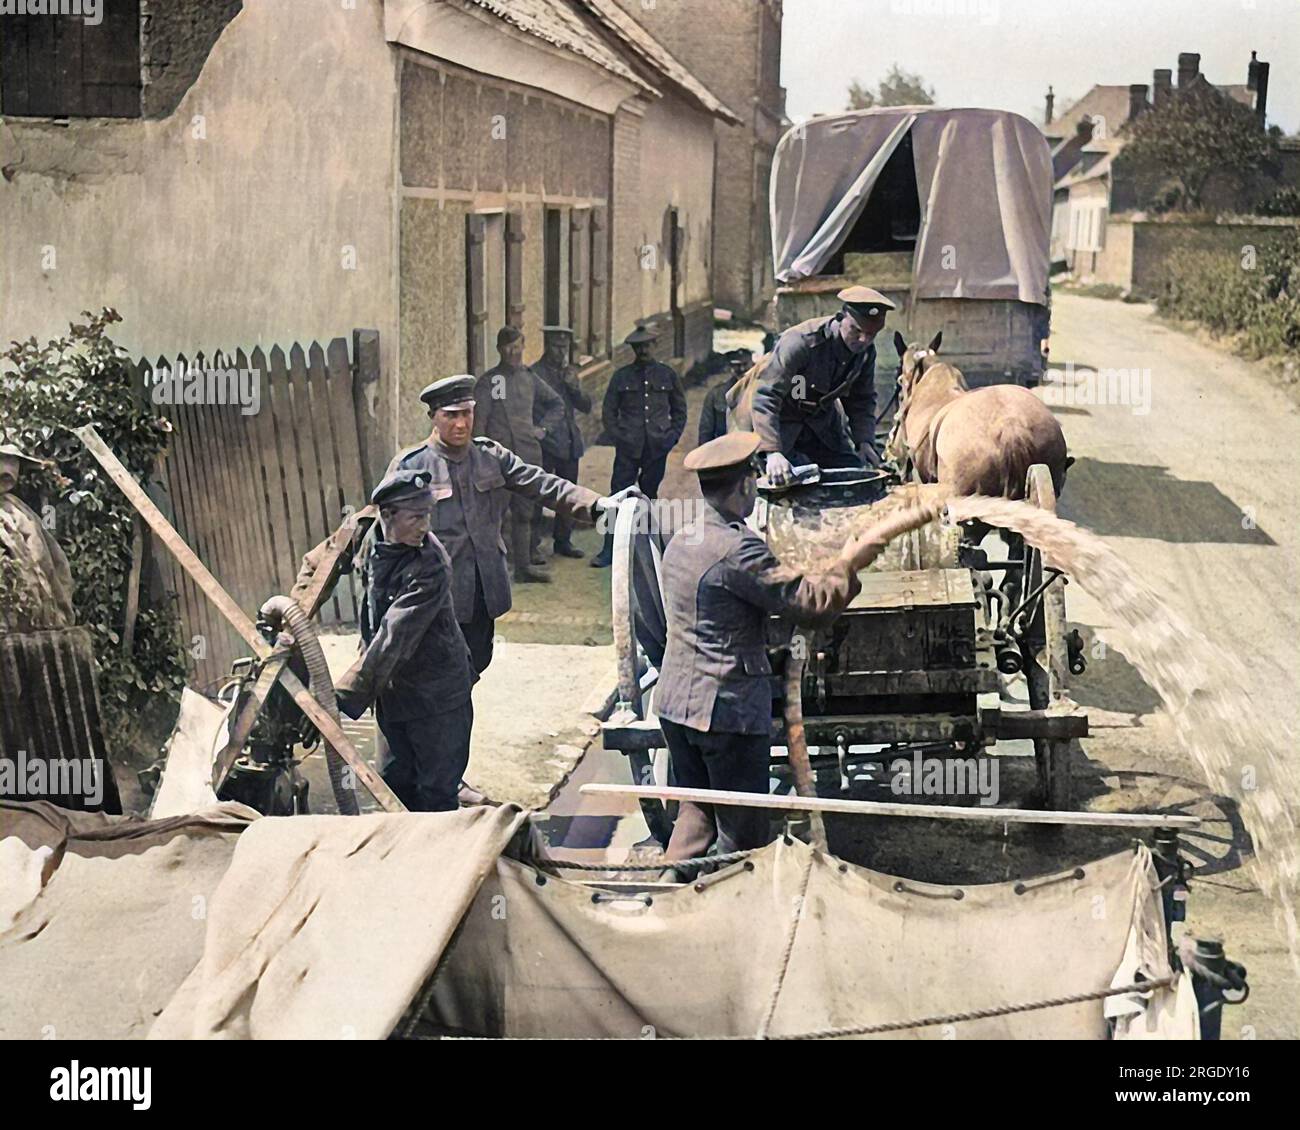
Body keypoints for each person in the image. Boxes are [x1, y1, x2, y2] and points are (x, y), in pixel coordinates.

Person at [655, 431, 861, 861]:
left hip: (676, 705)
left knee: (696, 814)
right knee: (743, 834)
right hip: (725, 712)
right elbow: (809, 605)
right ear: (746, 485)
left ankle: (669, 894)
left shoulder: (682, 539)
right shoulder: (739, 548)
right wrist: (849, 567)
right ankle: (729, 917)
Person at [388, 375, 636, 676]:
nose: (461, 424)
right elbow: (386, 538)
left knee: (474, 667)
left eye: (466, 413)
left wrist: (598, 506)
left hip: (483, 593)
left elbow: (544, 485)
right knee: (441, 680)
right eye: (450, 416)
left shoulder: (490, 456)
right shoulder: (411, 467)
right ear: (433, 417)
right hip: (437, 597)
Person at [297, 469, 476, 813]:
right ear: (387, 514)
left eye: (427, 515)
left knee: (436, 794)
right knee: (394, 785)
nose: (425, 526)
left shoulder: (431, 564)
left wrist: (335, 700)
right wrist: (294, 616)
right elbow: (317, 565)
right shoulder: (362, 528)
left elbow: (393, 639)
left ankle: (438, 864)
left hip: (438, 696)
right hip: (392, 689)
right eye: (415, 517)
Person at [751, 285, 896, 488]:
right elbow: (766, 396)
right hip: (780, 426)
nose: (863, 340)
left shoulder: (864, 353)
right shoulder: (801, 342)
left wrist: (864, 442)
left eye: (871, 335)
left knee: (854, 474)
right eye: (856, 330)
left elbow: (861, 399)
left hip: (822, 427)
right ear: (840, 318)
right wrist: (772, 451)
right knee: (786, 483)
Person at [591, 325, 687, 568]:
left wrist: (671, 437)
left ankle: (648, 549)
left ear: (654, 346)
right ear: (634, 349)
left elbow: (679, 410)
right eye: (639, 346)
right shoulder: (622, 376)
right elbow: (608, 412)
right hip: (628, 448)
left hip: (656, 447)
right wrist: (619, 437)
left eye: (647, 345)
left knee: (649, 497)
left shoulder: (667, 375)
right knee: (616, 497)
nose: (643, 350)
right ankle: (609, 550)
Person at [474, 325, 565, 580]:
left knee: (525, 513)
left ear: (524, 346)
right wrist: (480, 456)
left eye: (517, 346)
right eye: (508, 347)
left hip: (527, 456)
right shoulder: (494, 381)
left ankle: (523, 569)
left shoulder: (529, 377)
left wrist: (543, 429)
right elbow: (480, 423)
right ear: (499, 350)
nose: (513, 352)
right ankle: (494, 571)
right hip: (497, 459)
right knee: (496, 515)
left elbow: (557, 403)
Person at [531, 325, 592, 559]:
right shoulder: (534, 373)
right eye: (556, 347)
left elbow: (586, 406)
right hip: (546, 445)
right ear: (547, 346)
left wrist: (573, 387)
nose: (560, 352)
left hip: (569, 444)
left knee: (568, 496)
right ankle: (532, 546)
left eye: (564, 347)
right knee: (537, 495)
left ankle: (563, 541)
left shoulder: (570, 373)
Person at [697, 349, 753, 446]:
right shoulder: (716, 394)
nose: (742, 369)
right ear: (730, 367)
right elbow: (706, 431)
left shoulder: (761, 393)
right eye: (737, 365)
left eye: (746, 364)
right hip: (724, 449)